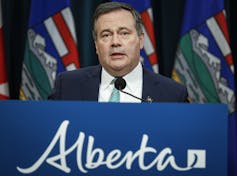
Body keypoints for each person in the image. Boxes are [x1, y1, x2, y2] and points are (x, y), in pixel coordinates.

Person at [49, 2, 188, 102]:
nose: (115, 42)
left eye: (124, 33)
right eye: (106, 35)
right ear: (96, 45)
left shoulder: (172, 95)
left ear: (140, 40)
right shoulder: (67, 86)